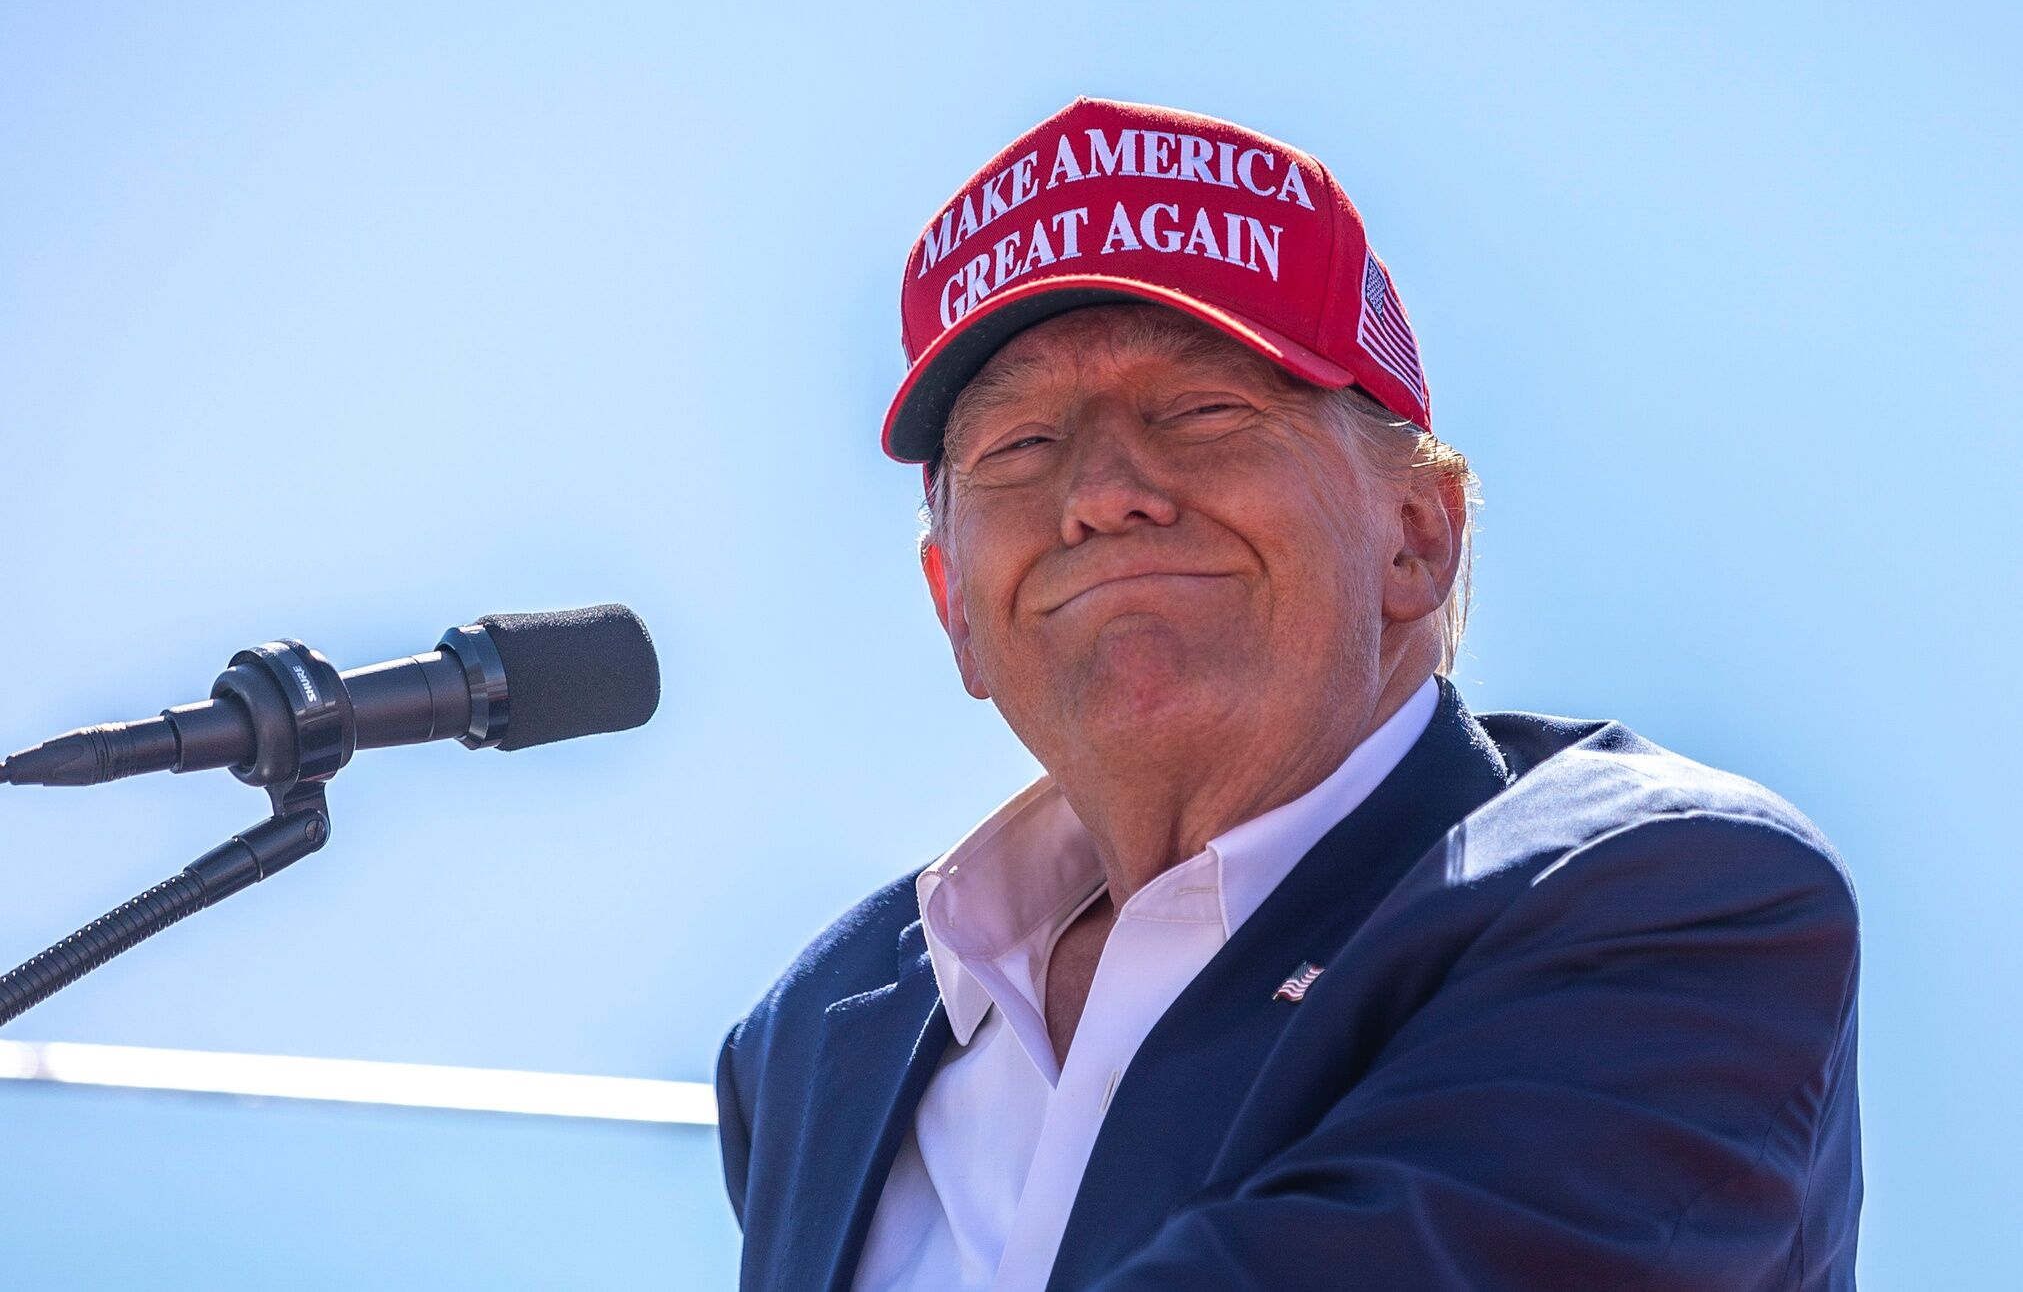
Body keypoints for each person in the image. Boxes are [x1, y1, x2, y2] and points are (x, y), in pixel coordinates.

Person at [714, 97, 1862, 1292]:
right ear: (954, 600)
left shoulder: (1666, 895)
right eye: (1018, 445)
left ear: (1417, 536)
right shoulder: (813, 1036)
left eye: (1204, 410)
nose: (1104, 490)